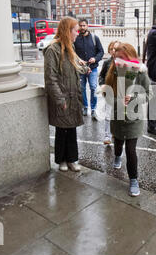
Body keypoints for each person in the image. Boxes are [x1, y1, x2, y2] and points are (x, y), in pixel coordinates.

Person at [44, 16, 91, 172]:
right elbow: (51, 79)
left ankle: (72, 159)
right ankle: (61, 160)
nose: (78, 33)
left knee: (71, 129)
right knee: (62, 130)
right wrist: (59, 99)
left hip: (73, 96)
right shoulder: (53, 50)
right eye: (75, 31)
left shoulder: (70, 47)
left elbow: (76, 66)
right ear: (67, 31)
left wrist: (85, 68)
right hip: (63, 98)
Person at [104, 43, 152, 196]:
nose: (119, 62)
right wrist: (118, 100)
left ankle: (133, 179)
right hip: (117, 116)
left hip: (134, 118)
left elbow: (149, 93)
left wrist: (134, 97)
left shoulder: (140, 72)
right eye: (117, 59)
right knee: (118, 143)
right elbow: (106, 93)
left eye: (122, 59)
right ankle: (117, 156)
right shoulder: (113, 71)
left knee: (131, 150)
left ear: (131, 57)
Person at [74, 18, 104, 120]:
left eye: (84, 25)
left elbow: (101, 52)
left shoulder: (95, 38)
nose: (82, 27)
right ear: (78, 26)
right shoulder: (75, 38)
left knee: (93, 87)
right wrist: (78, 60)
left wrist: (95, 59)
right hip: (80, 69)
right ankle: (85, 107)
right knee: (82, 88)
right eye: (80, 26)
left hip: (93, 68)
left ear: (87, 26)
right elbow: (72, 53)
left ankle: (93, 109)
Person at [99, 40, 120, 145]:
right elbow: (101, 76)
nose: (114, 51)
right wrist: (102, 84)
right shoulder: (107, 62)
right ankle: (107, 136)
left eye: (116, 49)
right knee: (108, 115)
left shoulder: (124, 62)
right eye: (112, 49)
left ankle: (116, 133)